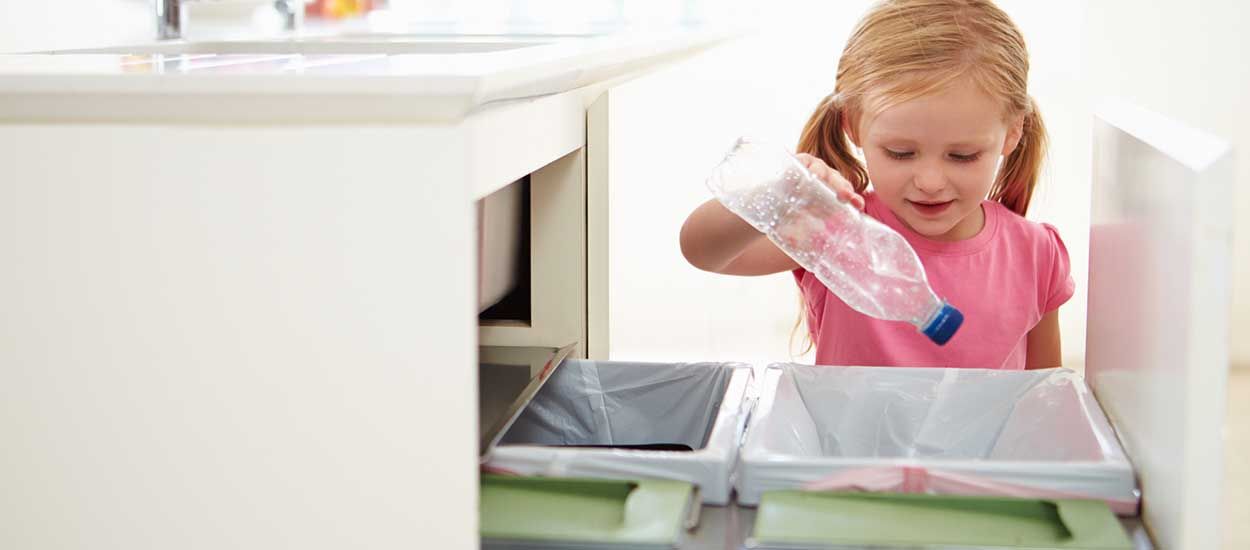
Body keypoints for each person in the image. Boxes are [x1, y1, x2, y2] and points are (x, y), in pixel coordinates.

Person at [679, 0, 1073, 370]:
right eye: (901, 153)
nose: (931, 182)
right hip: (849, 446)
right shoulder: (840, 232)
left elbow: (1046, 396)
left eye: (963, 156)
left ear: (1012, 132)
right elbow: (703, 252)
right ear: (852, 124)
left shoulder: (1038, 255)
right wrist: (779, 194)